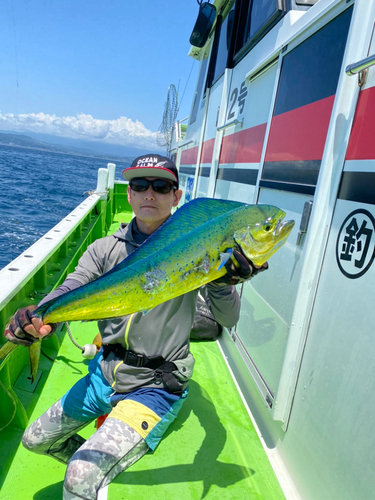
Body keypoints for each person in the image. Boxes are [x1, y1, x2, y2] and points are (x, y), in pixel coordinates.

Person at [4, 154, 267, 500]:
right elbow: (73, 284)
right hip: (105, 373)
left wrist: (222, 280)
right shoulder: (104, 249)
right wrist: (36, 314)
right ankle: (97, 468)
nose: (149, 194)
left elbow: (228, 319)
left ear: (176, 196)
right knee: (35, 440)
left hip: (155, 385)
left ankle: (88, 474)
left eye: (161, 186)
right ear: (128, 194)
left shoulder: (194, 245)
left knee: (79, 474)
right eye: (140, 185)